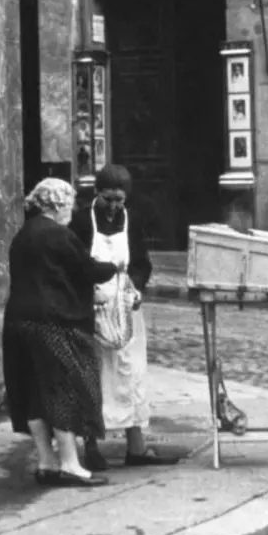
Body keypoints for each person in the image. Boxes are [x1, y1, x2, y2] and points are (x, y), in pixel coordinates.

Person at [2, 177, 127, 487]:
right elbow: (86, 270)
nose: (71, 211)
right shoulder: (59, 235)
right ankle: (70, 465)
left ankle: (47, 462)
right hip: (53, 323)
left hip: (19, 321)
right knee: (63, 390)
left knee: (33, 392)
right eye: (69, 204)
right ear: (58, 205)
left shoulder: (23, 234)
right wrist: (114, 266)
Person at [70, 164, 177, 470]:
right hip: (93, 308)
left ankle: (136, 447)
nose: (114, 206)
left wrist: (136, 288)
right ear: (96, 193)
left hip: (126, 309)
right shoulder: (81, 222)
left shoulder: (132, 220)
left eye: (119, 200)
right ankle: (91, 446)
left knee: (132, 374)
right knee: (95, 376)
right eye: (108, 199)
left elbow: (141, 263)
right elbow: (74, 264)